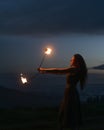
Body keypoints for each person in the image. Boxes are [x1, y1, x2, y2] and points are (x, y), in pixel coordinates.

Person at [37, 54, 88, 130]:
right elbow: (59, 71)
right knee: (66, 113)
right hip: (70, 93)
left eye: (72, 58)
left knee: (68, 114)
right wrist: (44, 70)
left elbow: (59, 71)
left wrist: (44, 70)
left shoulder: (74, 69)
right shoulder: (76, 69)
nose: (71, 60)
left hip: (71, 94)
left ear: (76, 61)